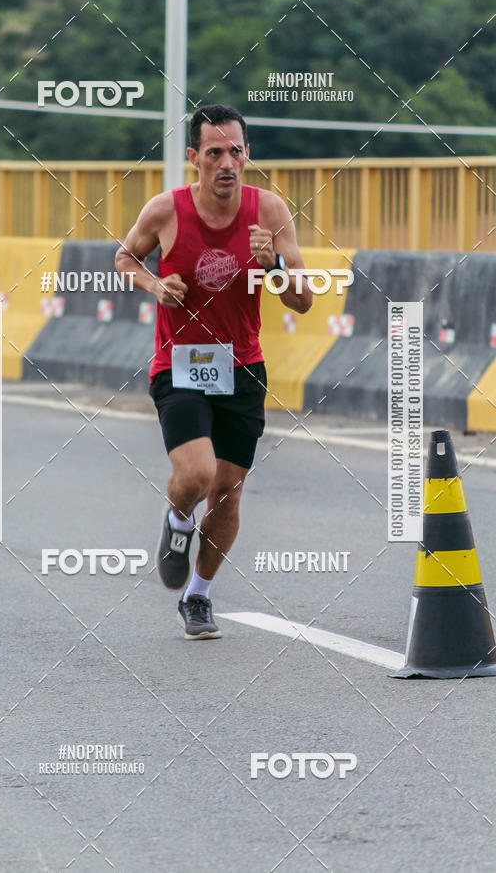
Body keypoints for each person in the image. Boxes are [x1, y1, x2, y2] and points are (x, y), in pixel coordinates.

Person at [115, 104, 312, 640]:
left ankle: (197, 596)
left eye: (236, 151)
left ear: (247, 156)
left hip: (241, 367)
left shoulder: (270, 212)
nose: (227, 162)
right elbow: (125, 258)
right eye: (214, 152)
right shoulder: (166, 210)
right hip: (179, 365)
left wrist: (272, 264)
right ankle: (178, 521)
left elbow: (304, 300)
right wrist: (155, 285)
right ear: (193, 158)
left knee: (226, 492)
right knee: (197, 475)